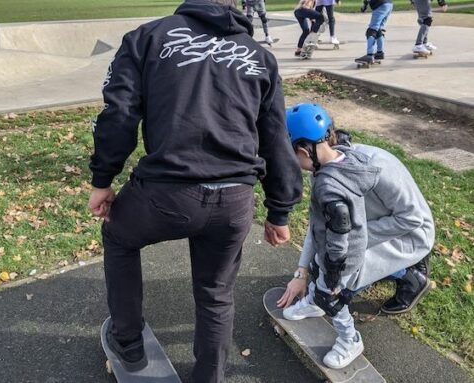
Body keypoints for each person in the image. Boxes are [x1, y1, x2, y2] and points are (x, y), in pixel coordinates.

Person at [88, 0, 303, 382]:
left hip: (166, 195)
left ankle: (128, 341)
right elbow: (275, 139)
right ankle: (210, 376)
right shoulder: (260, 57)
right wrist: (278, 211)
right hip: (235, 200)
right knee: (215, 292)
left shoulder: (147, 37)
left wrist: (103, 180)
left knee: (119, 238)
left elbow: (119, 113)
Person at [277, 103, 434, 369]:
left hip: (408, 234)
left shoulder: (377, 167)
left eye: (291, 157)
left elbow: (411, 219)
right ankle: (317, 300)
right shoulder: (323, 169)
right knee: (324, 265)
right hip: (361, 228)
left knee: (340, 280)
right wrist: (302, 271)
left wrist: (352, 238)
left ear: (304, 151)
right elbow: (318, 224)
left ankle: (352, 337)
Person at [355, 0, 393, 64]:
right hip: (389, 4)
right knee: (378, 29)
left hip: (380, 5)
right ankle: (379, 52)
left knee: (371, 30)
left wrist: (364, 6)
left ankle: (370, 55)